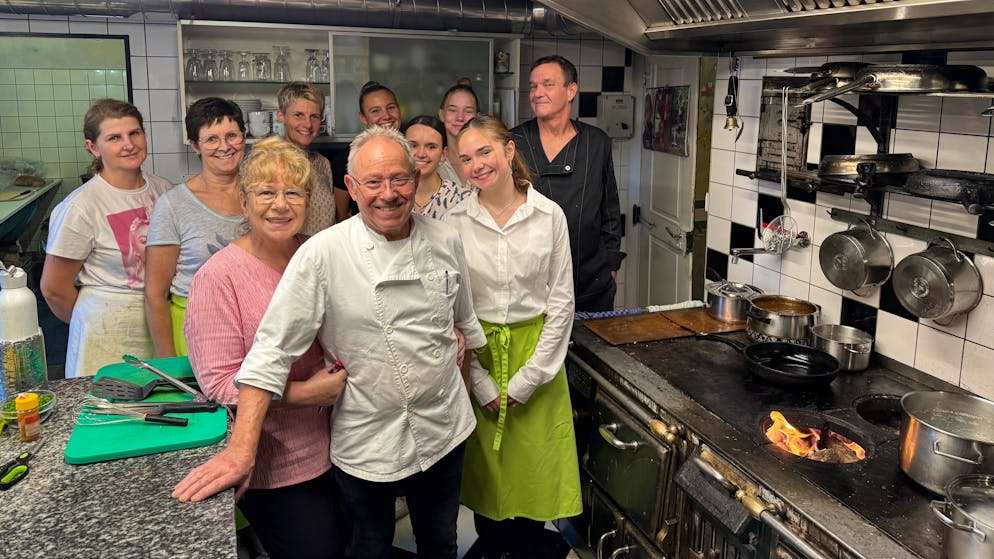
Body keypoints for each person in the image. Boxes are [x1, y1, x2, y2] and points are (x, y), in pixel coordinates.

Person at [173, 126, 486, 559]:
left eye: (399, 179)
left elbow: (463, 326)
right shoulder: (323, 253)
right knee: (368, 546)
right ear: (352, 189)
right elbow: (269, 354)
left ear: (416, 179)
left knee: (440, 542)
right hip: (367, 438)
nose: (388, 194)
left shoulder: (447, 238)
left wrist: (465, 397)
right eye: (373, 182)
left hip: (444, 431)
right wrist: (242, 451)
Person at [183, 136, 346, 559]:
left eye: (293, 192)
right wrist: (304, 394)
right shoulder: (219, 278)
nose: (280, 204)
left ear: (309, 200)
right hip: (278, 460)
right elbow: (219, 383)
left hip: (348, 445)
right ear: (244, 202)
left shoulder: (318, 255)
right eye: (266, 192)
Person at [446, 115, 580, 558]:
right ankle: (494, 548)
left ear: (508, 151)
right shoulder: (456, 223)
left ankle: (527, 549)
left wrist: (529, 378)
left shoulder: (549, 216)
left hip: (537, 357)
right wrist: (480, 381)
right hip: (479, 355)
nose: (476, 165)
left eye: (484, 151)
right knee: (488, 478)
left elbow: (560, 305)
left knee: (533, 475)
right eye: (465, 158)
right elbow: (454, 306)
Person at [40, 98, 172, 378]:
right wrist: (94, 322)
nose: (129, 144)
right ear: (94, 148)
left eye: (134, 133)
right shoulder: (81, 207)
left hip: (160, 323)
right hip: (107, 335)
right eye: (114, 138)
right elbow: (54, 288)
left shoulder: (163, 190)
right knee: (111, 416)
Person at [511, 55, 625, 312]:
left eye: (547, 84)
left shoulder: (597, 142)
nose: (537, 93)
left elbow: (610, 209)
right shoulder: (513, 142)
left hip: (591, 282)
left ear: (571, 90)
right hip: (530, 285)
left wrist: (611, 265)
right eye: (533, 86)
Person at [145, 97, 247, 358]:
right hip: (194, 326)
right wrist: (168, 364)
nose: (224, 146)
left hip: (252, 322)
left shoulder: (261, 194)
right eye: (212, 139)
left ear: (244, 138)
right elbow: (155, 294)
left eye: (232, 135)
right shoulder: (174, 205)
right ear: (195, 146)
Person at [332, 81, 401, 221]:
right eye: (376, 111)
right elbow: (341, 215)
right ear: (363, 118)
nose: (386, 116)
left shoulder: (414, 150)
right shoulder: (346, 158)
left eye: (391, 108)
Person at [276, 81, 337, 235]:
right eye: (298, 115)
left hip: (325, 255)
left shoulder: (322, 163)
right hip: (290, 256)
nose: (308, 124)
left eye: (314, 117)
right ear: (281, 116)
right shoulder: (269, 162)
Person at [401, 115, 472, 219]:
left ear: (444, 154)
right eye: (413, 145)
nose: (421, 154)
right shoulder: (391, 194)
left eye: (431, 147)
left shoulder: (462, 199)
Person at [436, 80, 479, 184]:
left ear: (477, 117)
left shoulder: (486, 161)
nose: (460, 117)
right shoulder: (433, 162)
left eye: (468, 111)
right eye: (452, 110)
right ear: (441, 115)